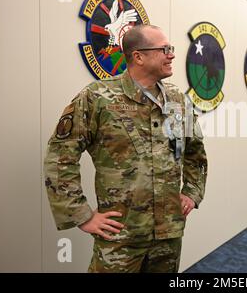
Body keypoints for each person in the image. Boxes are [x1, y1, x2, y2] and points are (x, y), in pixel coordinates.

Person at [44, 24, 208, 273]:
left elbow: (195, 151)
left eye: (171, 48)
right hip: (121, 236)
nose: (172, 54)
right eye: (164, 49)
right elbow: (60, 155)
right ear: (138, 56)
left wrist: (192, 192)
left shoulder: (177, 100)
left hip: (168, 233)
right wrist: (81, 214)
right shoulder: (98, 97)